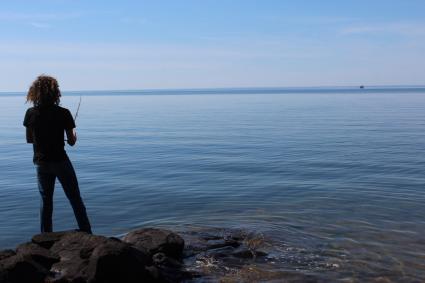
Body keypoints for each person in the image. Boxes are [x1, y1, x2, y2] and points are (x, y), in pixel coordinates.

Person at [23, 75, 92, 234]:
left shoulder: (30, 113)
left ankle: (45, 236)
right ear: (56, 93)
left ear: (34, 93)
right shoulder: (64, 113)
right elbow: (72, 142)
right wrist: (73, 137)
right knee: (75, 198)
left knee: (46, 202)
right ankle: (87, 232)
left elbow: (29, 139)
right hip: (60, 161)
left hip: (41, 163)